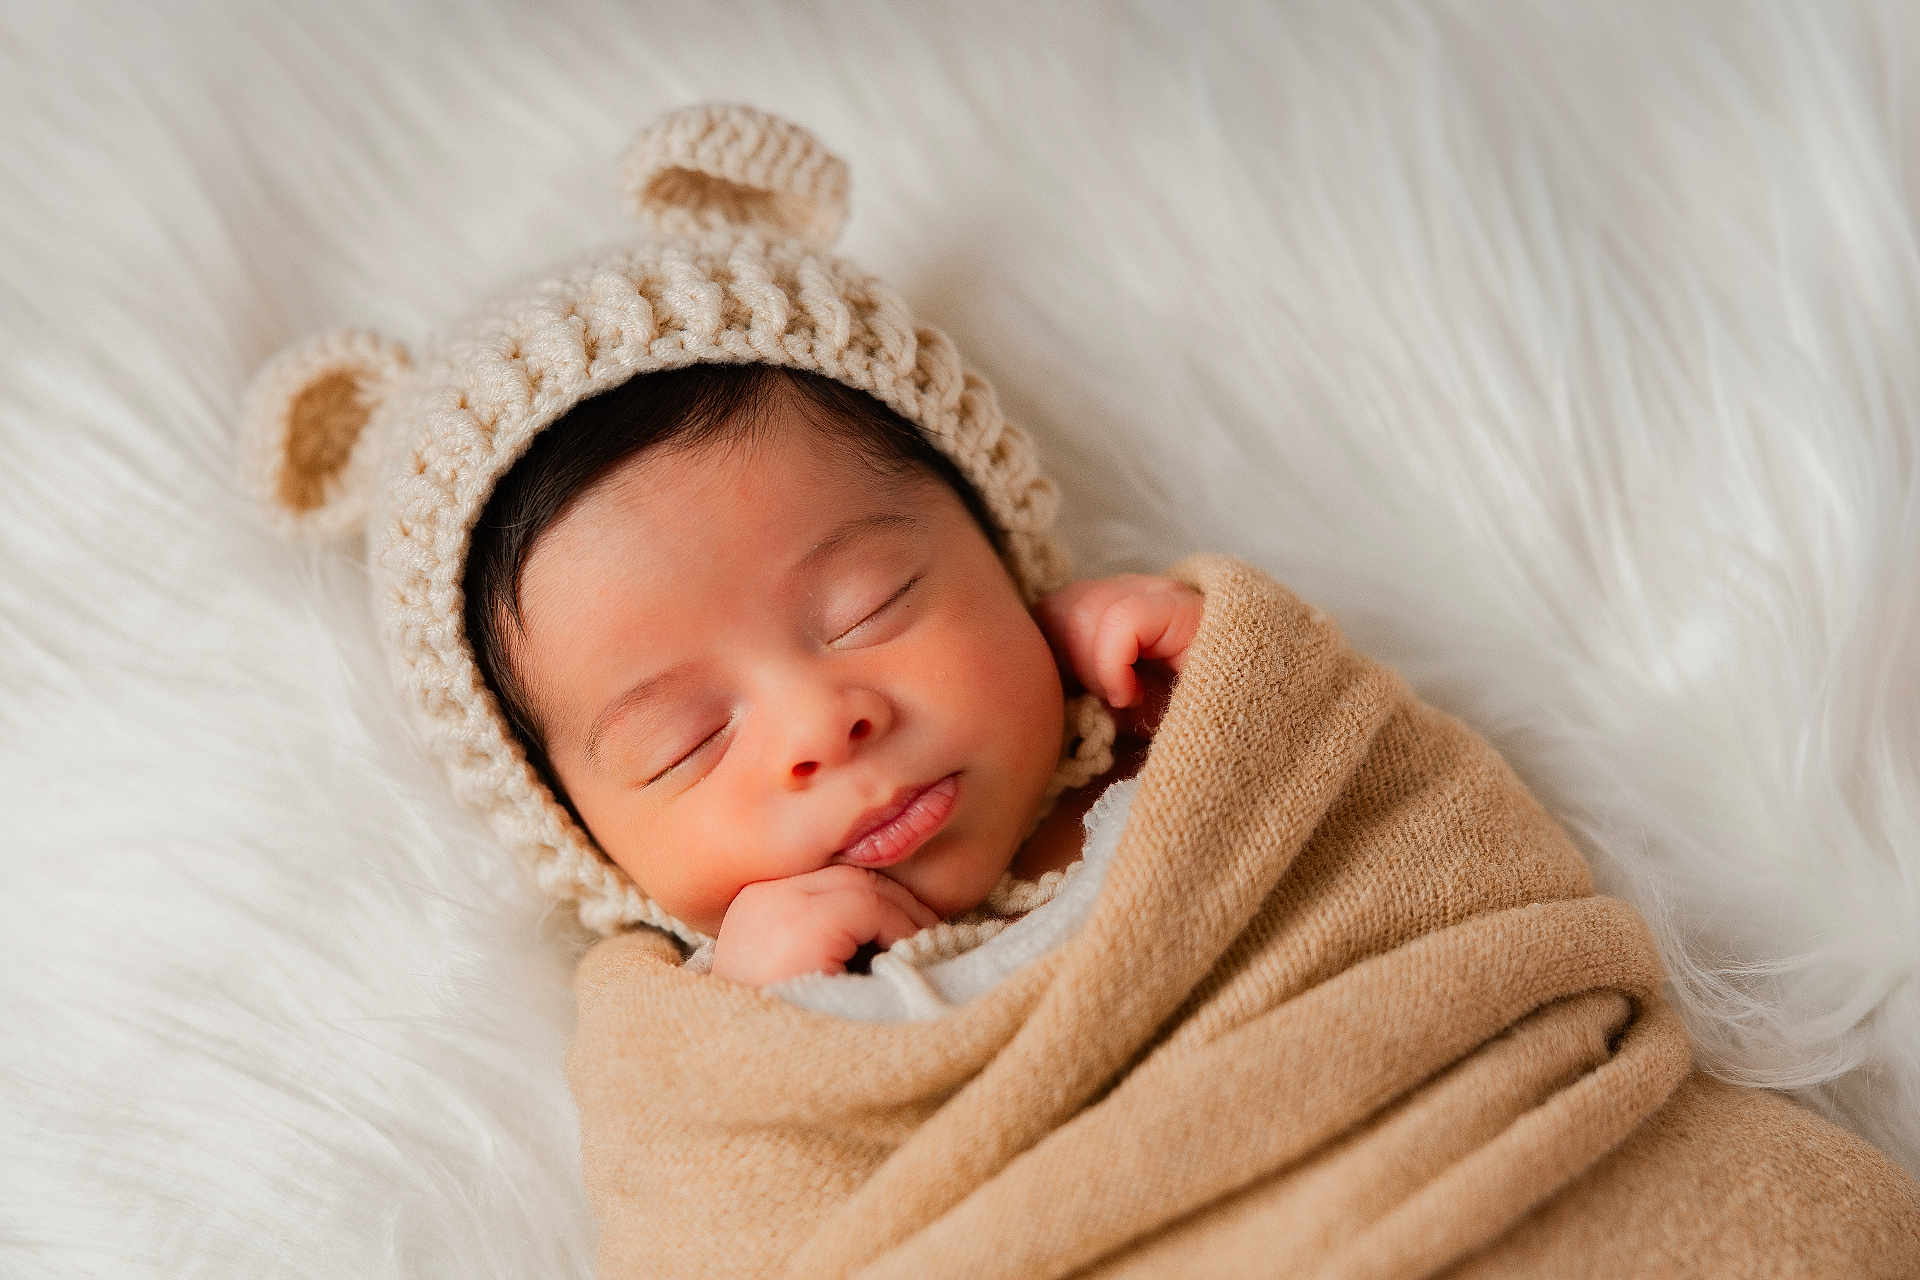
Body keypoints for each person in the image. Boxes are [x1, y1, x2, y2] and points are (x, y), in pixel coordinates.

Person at [460, 359, 1202, 987]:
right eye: (685, 742)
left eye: (868, 610)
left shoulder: (1168, 718)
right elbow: (679, 1156)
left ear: (1003, 552)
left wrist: (1219, 653)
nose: (819, 726)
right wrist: (763, 1036)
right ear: (577, 836)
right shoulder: (680, 1020)